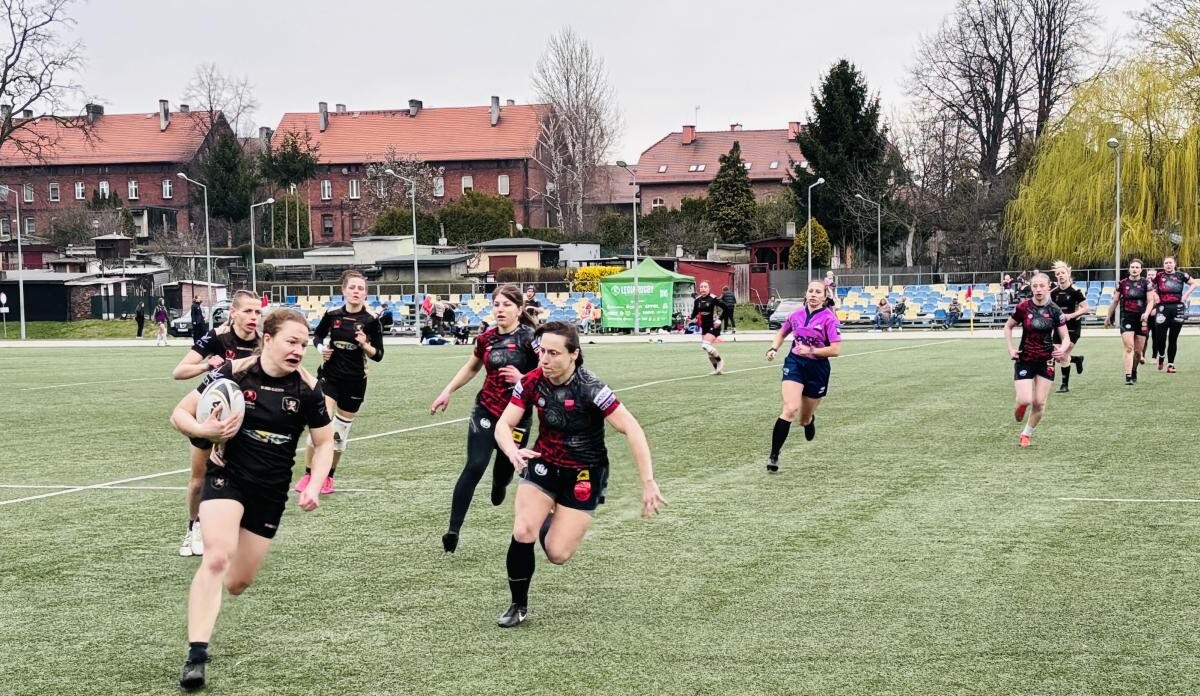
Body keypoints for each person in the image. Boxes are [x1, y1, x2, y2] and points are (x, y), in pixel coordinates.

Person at [171, 308, 334, 691]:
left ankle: (211, 596)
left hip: (271, 490)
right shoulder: (232, 373)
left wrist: (313, 483)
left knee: (239, 582)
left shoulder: (307, 389)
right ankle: (196, 654)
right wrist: (202, 429)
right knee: (216, 557)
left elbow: (325, 443)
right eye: (291, 341)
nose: (298, 350)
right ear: (267, 339)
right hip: (228, 477)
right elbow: (179, 412)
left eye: (304, 344)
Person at [493, 321, 666, 628]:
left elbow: (632, 428)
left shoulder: (591, 388)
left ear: (574, 354)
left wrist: (648, 481)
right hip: (544, 464)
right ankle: (518, 605)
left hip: (585, 473)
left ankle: (548, 517)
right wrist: (512, 450)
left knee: (558, 554)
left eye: (553, 353)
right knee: (522, 531)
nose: (544, 359)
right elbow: (504, 425)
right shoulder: (532, 381)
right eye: (542, 351)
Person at [431, 285, 538, 553]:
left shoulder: (531, 339)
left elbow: (547, 373)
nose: (500, 309)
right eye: (496, 304)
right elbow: (471, 367)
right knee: (475, 465)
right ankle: (453, 530)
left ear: (519, 309)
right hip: (486, 409)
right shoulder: (486, 338)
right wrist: (448, 391)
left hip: (516, 417)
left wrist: (523, 379)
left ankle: (500, 484)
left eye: (507, 305)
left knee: (504, 472)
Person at [171, 290, 263, 557]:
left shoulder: (263, 343)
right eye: (248, 311)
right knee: (199, 480)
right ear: (233, 313)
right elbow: (179, 372)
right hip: (208, 413)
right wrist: (207, 366)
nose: (253, 317)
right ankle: (193, 528)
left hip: (243, 416)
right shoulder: (217, 337)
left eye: (257, 312)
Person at [297, 269, 384, 494]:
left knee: (338, 434)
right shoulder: (332, 314)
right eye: (352, 287)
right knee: (320, 423)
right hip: (329, 377)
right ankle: (308, 474)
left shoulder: (372, 320)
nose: (356, 291)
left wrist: (365, 345)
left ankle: (328, 477)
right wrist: (321, 348)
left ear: (366, 293)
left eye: (361, 288)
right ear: (343, 290)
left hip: (355, 382)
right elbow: (316, 336)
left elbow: (379, 355)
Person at [764, 280, 842, 472]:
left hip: (817, 370)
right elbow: (782, 334)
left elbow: (835, 350)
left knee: (803, 419)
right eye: (810, 291)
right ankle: (774, 454)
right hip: (795, 364)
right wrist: (773, 348)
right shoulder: (795, 315)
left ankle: (809, 421)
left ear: (825, 297)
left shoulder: (829, 318)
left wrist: (812, 349)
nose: (813, 295)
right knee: (790, 409)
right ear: (806, 294)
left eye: (818, 292)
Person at [1004, 273, 1072, 448]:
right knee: (1025, 400)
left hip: (1046, 360)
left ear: (1049, 286)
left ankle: (1026, 434)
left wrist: (1063, 349)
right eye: (1035, 286)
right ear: (1031, 288)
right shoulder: (1023, 307)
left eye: (1042, 286)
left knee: (1039, 402)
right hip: (1025, 358)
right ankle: (1020, 406)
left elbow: (1065, 337)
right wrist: (1011, 348)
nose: (1038, 289)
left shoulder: (1055, 311)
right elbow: (1008, 326)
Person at [1105, 258, 1156, 385]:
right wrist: (1108, 316)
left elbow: (1151, 301)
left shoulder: (1146, 283)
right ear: (1129, 269)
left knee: (1138, 352)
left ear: (1141, 270)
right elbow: (1115, 301)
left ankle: (1134, 370)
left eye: (1137, 267)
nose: (1134, 269)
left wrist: (1146, 313)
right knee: (1129, 347)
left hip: (1142, 319)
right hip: (1127, 317)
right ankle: (1128, 376)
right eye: (1132, 267)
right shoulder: (1122, 283)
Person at [1151, 256, 1196, 373]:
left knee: (1173, 338)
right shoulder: (1159, 276)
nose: (1168, 265)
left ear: (1174, 264)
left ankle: (1171, 364)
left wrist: (1185, 295)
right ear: (1163, 265)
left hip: (1178, 308)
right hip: (1162, 308)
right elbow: (1149, 286)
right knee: (1160, 338)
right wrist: (1155, 295)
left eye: (1170, 263)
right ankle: (1161, 356)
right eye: (1166, 263)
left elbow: (1194, 283)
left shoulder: (1181, 275)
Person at [1050, 261, 1089, 393]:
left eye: (1063, 273)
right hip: (1058, 327)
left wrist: (1071, 316)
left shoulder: (1075, 291)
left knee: (1063, 354)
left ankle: (1064, 385)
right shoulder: (1053, 293)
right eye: (1058, 274)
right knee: (1057, 355)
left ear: (1068, 274)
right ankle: (1077, 359)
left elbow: (1086, 308)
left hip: (1072, 327)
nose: (1060, 275)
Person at [690, 281, 728, 374]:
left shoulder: (713, 298)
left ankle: (720, 361)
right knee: (708, 351)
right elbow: (695, 312)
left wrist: (720, 319)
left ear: (708, 288)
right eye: (701, 287)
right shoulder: (697, 300)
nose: (703, 288)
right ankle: (717, 370)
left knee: (705, 345)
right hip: (705, 326)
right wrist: (690, 319)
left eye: (705, 287)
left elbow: (726, 308)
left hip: (714, 325)